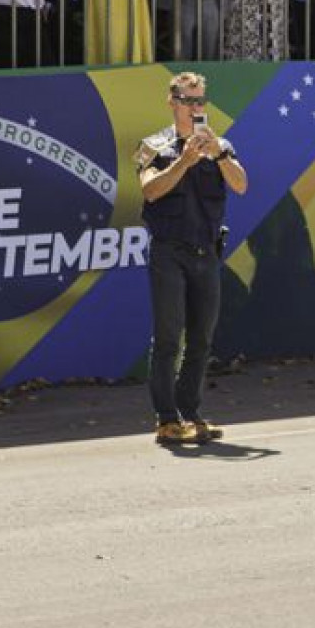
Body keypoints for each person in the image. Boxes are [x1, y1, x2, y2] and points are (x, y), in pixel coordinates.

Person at [136, 72, 247, 445]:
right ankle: (166, 418)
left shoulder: (220, 145)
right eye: (189, 100)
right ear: (173, 102)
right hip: (169, 251)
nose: (197, 108)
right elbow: (150, 191)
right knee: (169, 337)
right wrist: (183, 161)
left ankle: (190, 410)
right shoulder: (154, 145)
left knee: (201, 338)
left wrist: (217, 153)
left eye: (201, 101)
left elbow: (241, 184)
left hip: (207, 252)